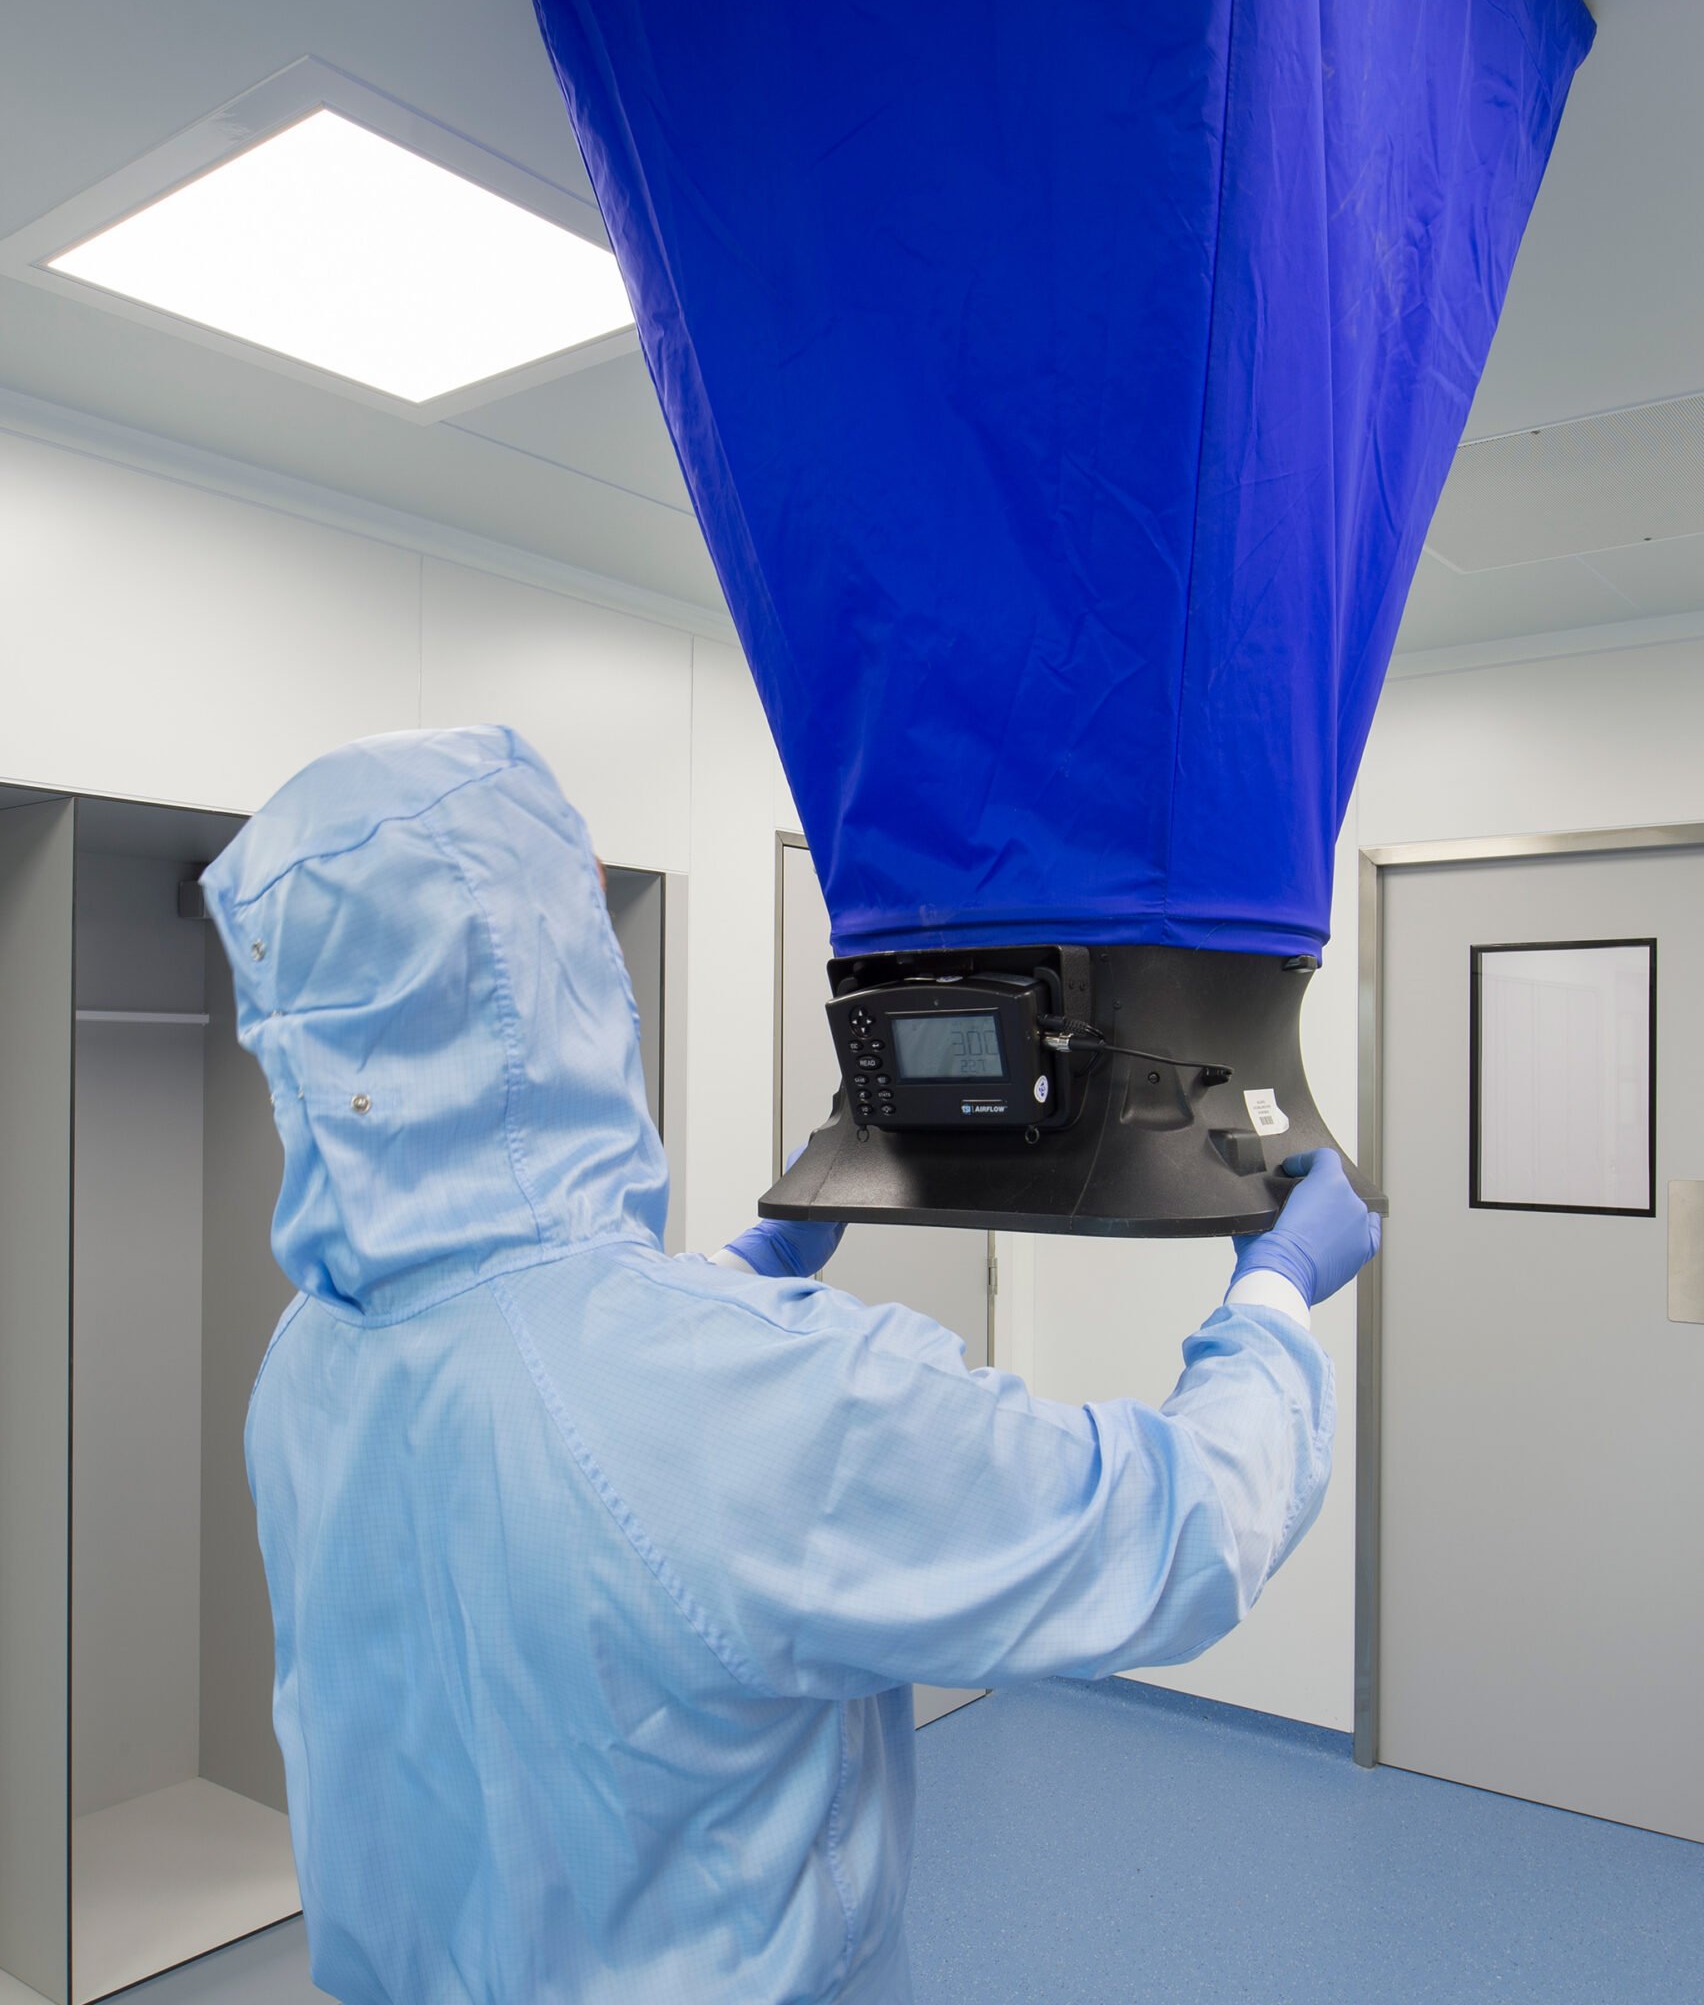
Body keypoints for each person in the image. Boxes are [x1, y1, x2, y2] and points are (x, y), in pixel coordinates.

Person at [204, 723, 1378, 2005]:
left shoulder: (309, 1356)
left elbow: (545, 1411)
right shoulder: (750, 1401)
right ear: (543, 989)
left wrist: (738, 1273)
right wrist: (1274, 1299)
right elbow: (1175, 1528)